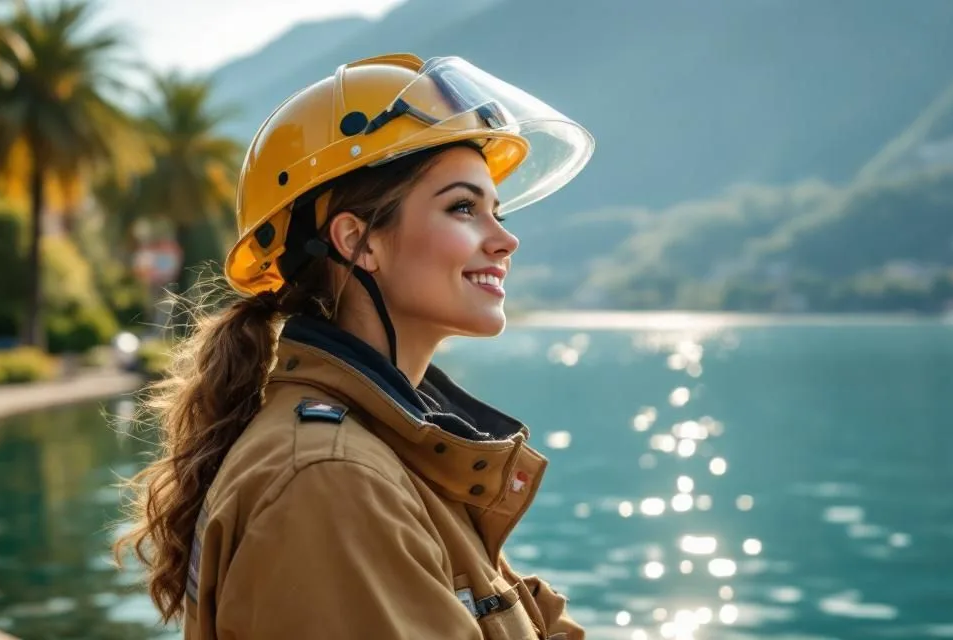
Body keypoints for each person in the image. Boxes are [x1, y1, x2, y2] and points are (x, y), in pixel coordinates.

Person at [113, 52, 595, 639]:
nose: (506, 239)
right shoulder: (331, 481)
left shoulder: (396, 450)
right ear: (357, 242)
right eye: (464, 208)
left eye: (494, 210)